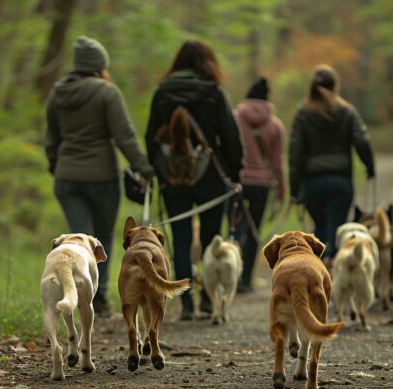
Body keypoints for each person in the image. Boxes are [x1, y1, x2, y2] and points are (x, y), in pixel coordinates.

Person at [45, 36, 154, 317]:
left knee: (78, 240)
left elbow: (51, 139)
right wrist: (144, 168)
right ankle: (99, 299)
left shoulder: (58, 93)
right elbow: (124, 136)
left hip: (67, 177)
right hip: (102, 177)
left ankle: (77, 295)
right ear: (100, 65)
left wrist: (55, 165)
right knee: (99, 239)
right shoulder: (107, 92)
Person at [145, 40, 244, 320]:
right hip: (211, 176)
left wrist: (159, 174)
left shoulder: (162, 93)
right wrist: (235, 174)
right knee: (213, 237)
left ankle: (186, 300)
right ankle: (210, 301)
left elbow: (151, 138)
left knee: (181, 237)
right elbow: (231, 137)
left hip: (174, 178)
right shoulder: (214, 93)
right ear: (208, 63)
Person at [289, 64, 375, 269]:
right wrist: (369, 167)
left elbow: (295, 152)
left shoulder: (303, 113)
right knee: (336, 229)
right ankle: (332, 270)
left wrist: (295, 188)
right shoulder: (347, 111)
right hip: (340, 182)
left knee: (320, 227)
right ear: (335, 86)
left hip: (313, 183)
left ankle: (319, 272)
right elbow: (362, 141)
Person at [233, 77, 285, 293]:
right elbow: (277, 162)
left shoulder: (235, 118)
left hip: (237, 182)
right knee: (254, 233)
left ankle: (232, 275)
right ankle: (245, 280)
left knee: (235, 228)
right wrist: (281, 190)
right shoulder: (275, 125)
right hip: (262, 185)